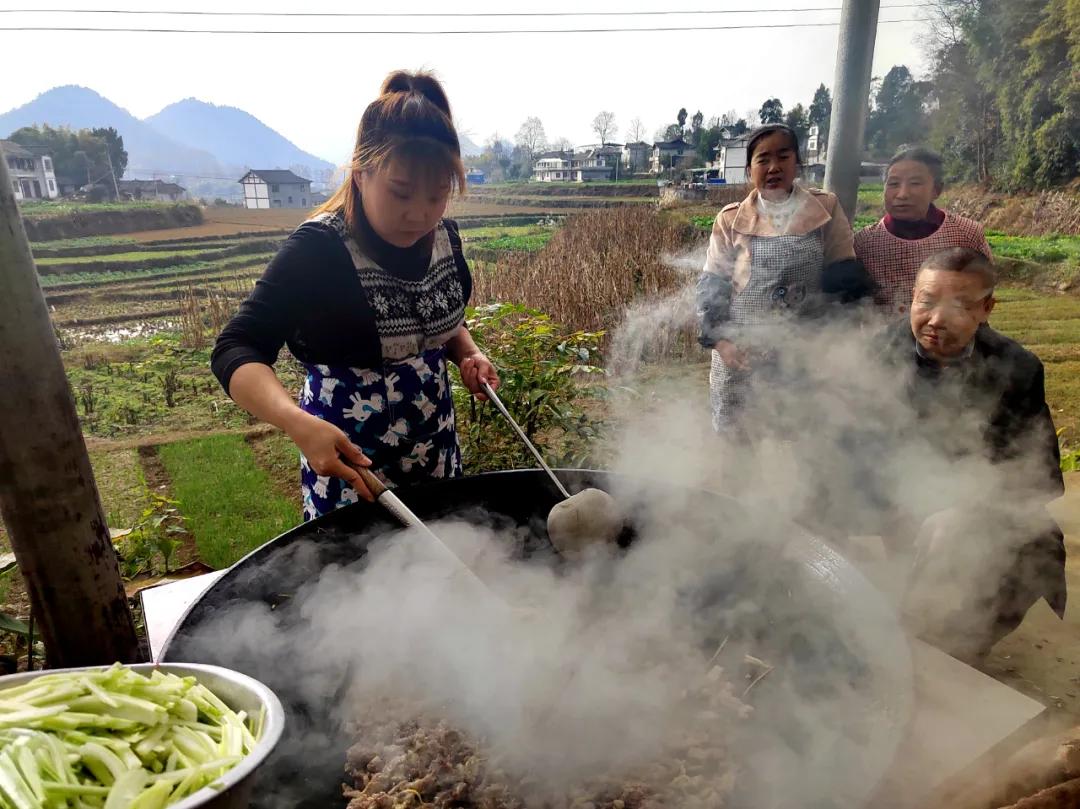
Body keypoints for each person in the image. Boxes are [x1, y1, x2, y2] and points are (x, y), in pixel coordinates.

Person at [211, 70, 499, 520]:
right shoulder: (320, 250)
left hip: (435, 447)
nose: (420, 214)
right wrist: (297, 423)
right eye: (401, 192)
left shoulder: (444, 238)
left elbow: (436, 315)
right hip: (350, 464)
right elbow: (236, 347)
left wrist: (467, 352)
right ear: (361, 173)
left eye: (438, 195)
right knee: (359, 580)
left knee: (444, 569)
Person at [877, 247, 1066, 662]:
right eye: (925, 302)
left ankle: (954, 651)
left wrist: (966, 512)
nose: (936, 320)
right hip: (886, 502)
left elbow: (1032, 473)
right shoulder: (876, 354)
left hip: (975, 510)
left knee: (978, 537)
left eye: (959, 305)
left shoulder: (1018, 368)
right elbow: (838, 443)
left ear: (986, 308)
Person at [696, 123, 872, 433]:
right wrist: (722, 342)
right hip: (740, 354)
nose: (773, 167)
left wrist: (828, 344)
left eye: (783, 156)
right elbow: (713, 287)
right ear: (750, 169)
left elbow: (843, 282)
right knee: (738, 438)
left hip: (804, 354)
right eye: (763, 159)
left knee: (799, 437)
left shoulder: (825, 209)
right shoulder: (730, 218)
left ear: (797, 163)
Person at [855, 146, 992, 317]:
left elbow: (984, 292)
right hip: (885, 341)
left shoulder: (966, 234)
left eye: (915, 183)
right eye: (893, 184)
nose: (902, 194)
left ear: (937, 190)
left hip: (951, 338)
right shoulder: (865, 242)